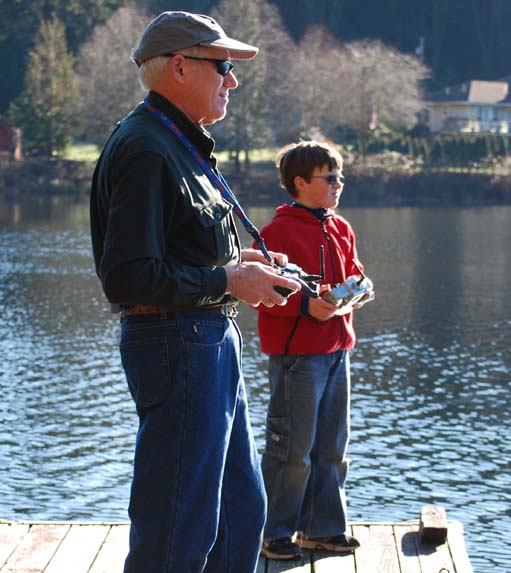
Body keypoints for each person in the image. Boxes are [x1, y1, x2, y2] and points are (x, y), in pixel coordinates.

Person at [89, 11, 299, 573]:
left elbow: (180, 251)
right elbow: (127, 276)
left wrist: (241, 264)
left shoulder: (177, 141)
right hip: (176, 341)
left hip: (205, 339)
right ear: (180, 67)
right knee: (179, 526)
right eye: (223, 66)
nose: (231, 80)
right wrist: (231, 280)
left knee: (239, 514)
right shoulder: (146, 148)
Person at [255, 141, 374, 560]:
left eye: (339, 176)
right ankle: (273, 534)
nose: (339, 184)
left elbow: (355, 274)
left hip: (337, 350)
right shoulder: (275, 234)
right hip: (298, 359)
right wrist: (307, 304)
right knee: (291, 450)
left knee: (331, 449)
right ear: (301, 183)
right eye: (330, 178)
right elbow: (262, 292)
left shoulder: (341, 228)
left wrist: (360, 290)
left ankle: (321, 529)